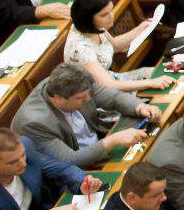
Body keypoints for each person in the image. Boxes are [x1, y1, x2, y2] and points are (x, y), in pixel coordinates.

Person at [11, 63, 156, 168]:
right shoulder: (34, 124)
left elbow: (113, 97)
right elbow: (71, 160)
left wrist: (139, 107)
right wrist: (113, 140)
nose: (88, 99)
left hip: (100, 141)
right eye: (81, 98)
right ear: (58, 98)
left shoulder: (73, 84)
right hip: (83, 168)